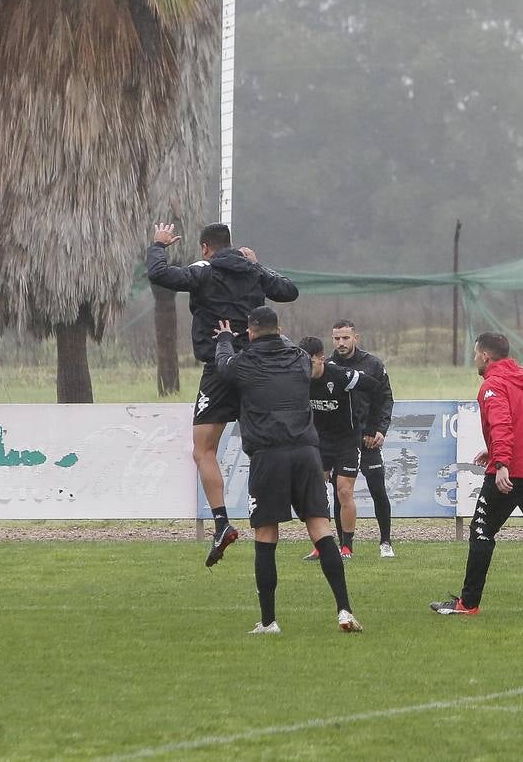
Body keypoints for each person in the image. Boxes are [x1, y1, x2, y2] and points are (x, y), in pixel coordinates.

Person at [147, 222, 298, 567]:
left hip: (219, 367)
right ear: (233, 245)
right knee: (262, 444)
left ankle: (221, 522)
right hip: (255, 368)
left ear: (204, 248)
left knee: (203, 450)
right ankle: (270, 514)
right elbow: (289, 291)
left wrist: (159, 245)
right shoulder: (252, 270)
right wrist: (257, 265)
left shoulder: (204, 270)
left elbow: (160, 274)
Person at [213, 306, 361, 634]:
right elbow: (295, 350)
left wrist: (224, 338)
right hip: (308, 452)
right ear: (280, 330)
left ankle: (269, 622)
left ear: (250, 333)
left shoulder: (246, 361)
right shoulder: (299, 359)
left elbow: (223, 366)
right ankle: (344, 611)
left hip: (269, 455)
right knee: (321, 529)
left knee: (266, 535)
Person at [430, 332, 523, 617]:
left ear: (486, 356)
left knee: (482, 531)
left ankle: (468, 603)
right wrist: (494, 451)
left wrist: (501, 463)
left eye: (475, 355)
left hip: (511, 474)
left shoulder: (492, 386)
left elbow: (502, 424)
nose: (474, 360)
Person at [296, 336, 387, 562]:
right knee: (315, 492)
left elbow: (376, 389)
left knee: (344, 490)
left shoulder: (339, 375)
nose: (305, 367)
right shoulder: (298, 378)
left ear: (321, 359)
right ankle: (321, 544)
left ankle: (347, 547)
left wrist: (372, 427)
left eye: (310, 362)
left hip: (347, 440)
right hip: (318, 442)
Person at [328, 320, 397, 558]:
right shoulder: (327, 365)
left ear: (356, 337)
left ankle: (386, 542)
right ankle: (344, 545)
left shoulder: (373, 364)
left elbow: (385, 398)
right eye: (337, 338)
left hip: (367, 439)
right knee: (341, 491)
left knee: (377, 488)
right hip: (340, 441)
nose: (341, 343)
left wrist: (380, 429)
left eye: (345, 338)